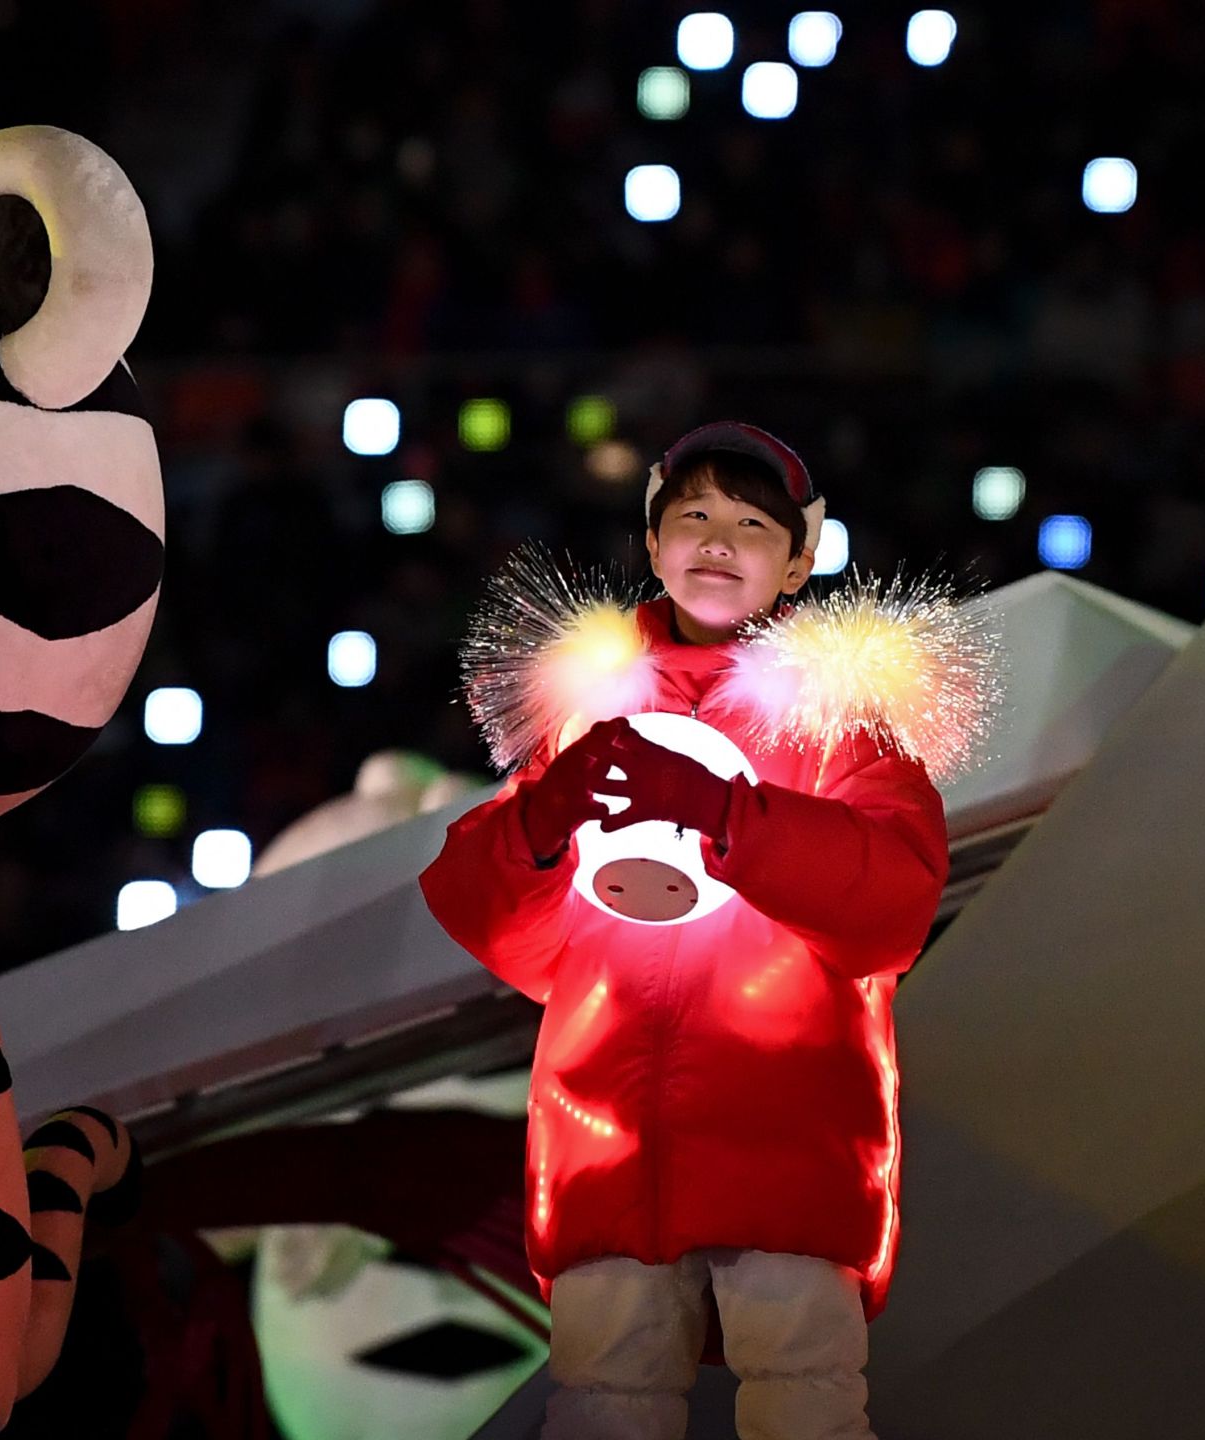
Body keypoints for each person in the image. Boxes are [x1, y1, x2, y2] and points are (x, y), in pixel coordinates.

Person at [419, 422, 956, 1440]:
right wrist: (537, 819)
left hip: (783, 1132)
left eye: (752, 523)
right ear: (654, 538)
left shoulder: (841, 719)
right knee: (604, 1404)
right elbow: (505, 932)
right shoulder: (587, 710)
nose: (718, 540)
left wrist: (728, 816)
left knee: (803, 1404)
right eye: (694, 515)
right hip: (606, 1134)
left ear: (800, 558)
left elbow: (890, 903)